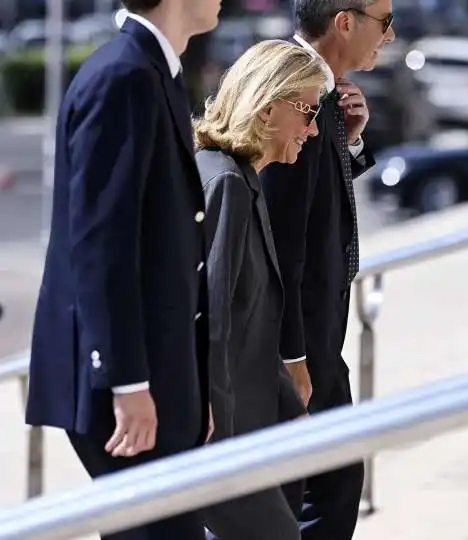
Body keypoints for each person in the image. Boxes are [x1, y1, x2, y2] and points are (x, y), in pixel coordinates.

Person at [25, 1, 220, 538]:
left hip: (158, 373)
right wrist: (126, 383)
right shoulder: (124, 76)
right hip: (128, 382)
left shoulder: (153, 70)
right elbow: (102, 244)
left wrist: (193, 383)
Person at [260, 1, 394, 538]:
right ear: (345, 22)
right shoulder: (296, 88)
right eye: (383, 22)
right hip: (297, 346)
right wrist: (294, 356)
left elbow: (320, 197)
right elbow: (281, 240)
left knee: (329, 486)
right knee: (316, 494)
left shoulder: (329, 92)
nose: (389, 36)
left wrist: (354, 139)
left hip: (317, 340)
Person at [193, 40, 327, 540]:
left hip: (246, 423)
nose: (312, 130)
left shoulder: (240, 177)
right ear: (269, 107)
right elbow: (212, 314)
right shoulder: (224, 183)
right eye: (308, 112)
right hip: (222, 432)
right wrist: (210, 422)